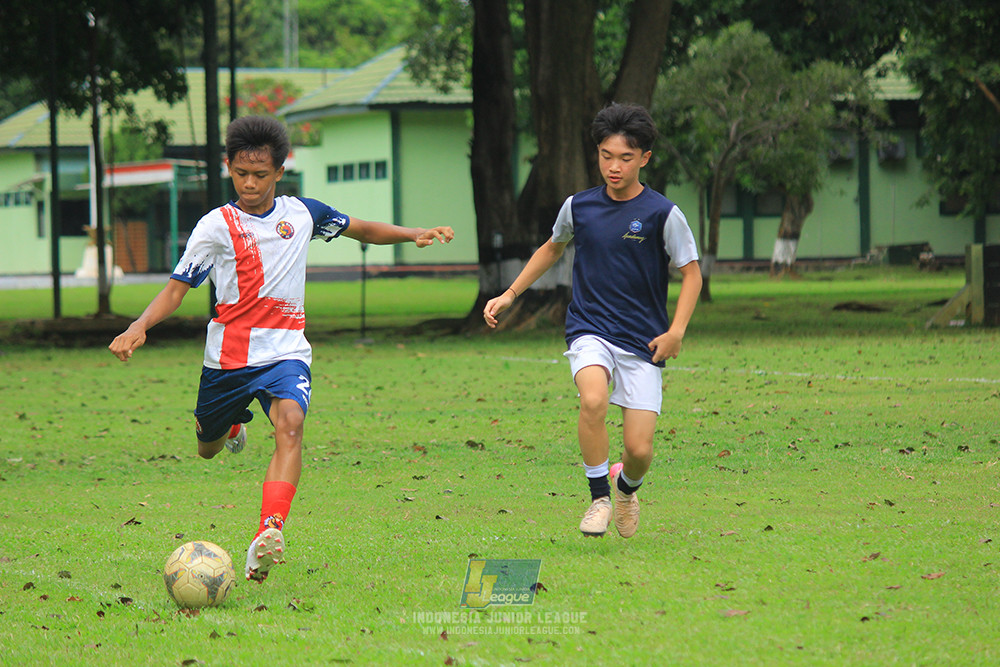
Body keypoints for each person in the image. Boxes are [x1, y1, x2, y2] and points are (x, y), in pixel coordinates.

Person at [109, 115, 454, 580]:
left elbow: (361, 228)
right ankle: (231, 428)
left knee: (290, 425)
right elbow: (176, 288)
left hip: (286, 350)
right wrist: (139, 325)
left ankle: (269, 529)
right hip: (227, 359)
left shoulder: (302, 214)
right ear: (228, 167)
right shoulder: (215, 226)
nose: (250, 184)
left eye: (261, 175)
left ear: (280, 171)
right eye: (240, 174)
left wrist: (411, 233)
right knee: (206, 449)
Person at [484, 103, 701, 538]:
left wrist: (675, 332)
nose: (614, 166)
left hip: (643, 340)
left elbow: (691, 272)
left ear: (644, 158)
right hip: (590, 328)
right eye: (605, 155)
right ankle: (598, 498)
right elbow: (552, 247)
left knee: (640, 450)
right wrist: (510, 294)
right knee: (593, 400)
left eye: (625, 157)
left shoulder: (663, 213)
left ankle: (626, 488)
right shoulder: (578, 207)